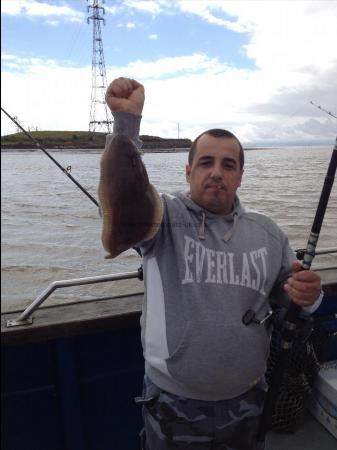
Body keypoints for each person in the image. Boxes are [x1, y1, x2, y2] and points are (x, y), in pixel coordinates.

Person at [104, 77, 322, 450]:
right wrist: (127, 124)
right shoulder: (162, 219)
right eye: (205, 162)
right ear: (188, 171)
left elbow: (290, 296)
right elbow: (126, 203)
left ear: (240, 176)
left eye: (228, 164)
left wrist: (308, 295)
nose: (217, 172)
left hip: (249, 399)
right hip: (174, 404)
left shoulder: (267, 232)